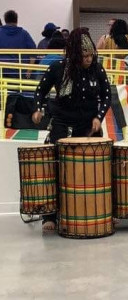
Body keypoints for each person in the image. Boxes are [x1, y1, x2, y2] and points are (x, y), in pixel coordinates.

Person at [32, 27, 112, 232]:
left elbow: (106, 96)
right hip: (62, 125)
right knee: (54, 169)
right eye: (84, 56)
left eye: (91, 55)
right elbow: (40, 92)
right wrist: (38, 109)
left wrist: (98, 117)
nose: (88, 59)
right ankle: (49, 216)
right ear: (76, 55)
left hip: (89, 127)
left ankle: (101, 211)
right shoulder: (58, 68)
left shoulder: (97, 69)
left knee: (97, 171)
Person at [0, 10, 36, 78]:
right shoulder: (24, 34)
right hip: (19, 72)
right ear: (16, 20)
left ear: (5, 20)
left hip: (1, 71)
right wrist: (29, 70)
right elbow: (33, 52)